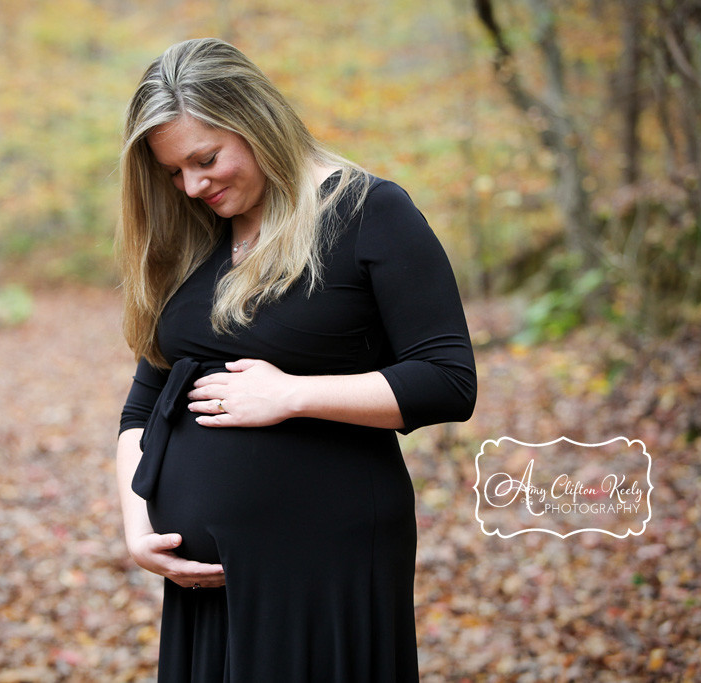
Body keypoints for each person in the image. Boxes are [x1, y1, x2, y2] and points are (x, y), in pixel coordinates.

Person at [115, 38, 476, 682]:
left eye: (206, 159)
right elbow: (145, 403)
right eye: (174, 171)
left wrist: (293, 395)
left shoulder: (370, 212)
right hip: (208, 583)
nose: (194, 185)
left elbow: (447, 380)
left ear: (254, 118)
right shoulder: (199, 239)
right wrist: (138, 525)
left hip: (325, 560)